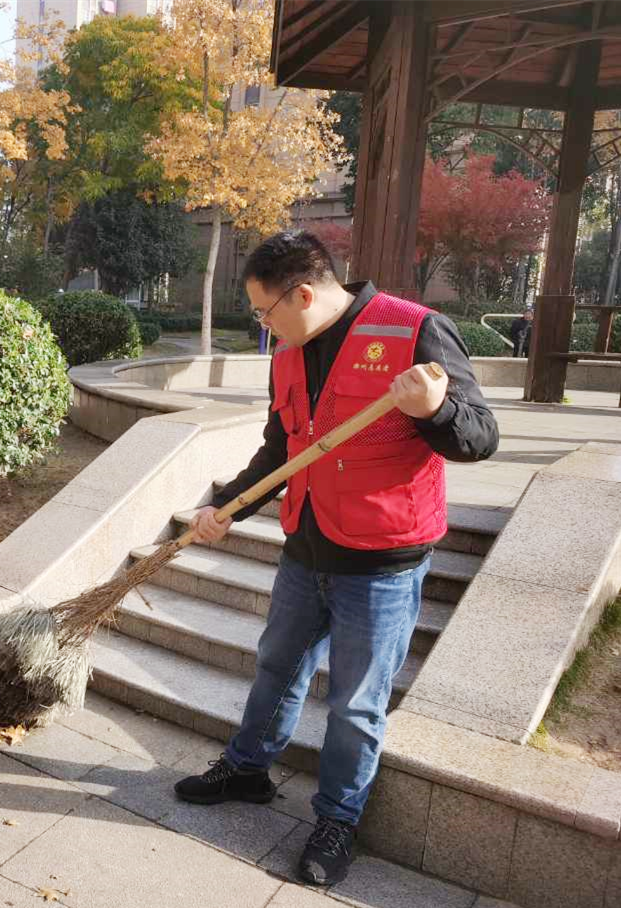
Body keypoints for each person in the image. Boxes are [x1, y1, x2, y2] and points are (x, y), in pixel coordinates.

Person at [174, 230, 498, 886]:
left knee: (355, 703)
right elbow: (280, 449)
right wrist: (227, 506)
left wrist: (435, 408)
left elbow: (480, 438)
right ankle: (247, 769)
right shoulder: (289, 351)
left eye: (264, 312)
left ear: (302, 294)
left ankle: (337, 819)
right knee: (277, 666)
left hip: (382, 561)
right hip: (307, 544)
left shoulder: (414, 331)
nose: (262, 325)